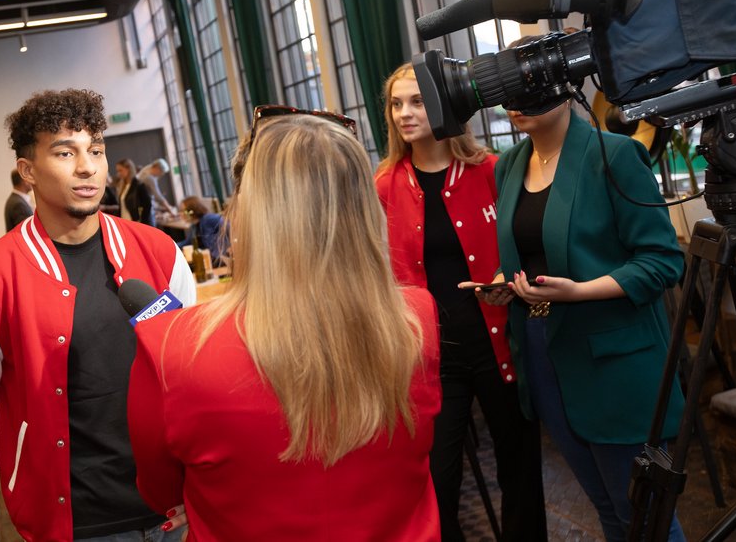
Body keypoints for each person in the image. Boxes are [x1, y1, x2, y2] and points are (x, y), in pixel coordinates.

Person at [128, 114, 441, 541]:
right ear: (365, 209)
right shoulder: (416, 319)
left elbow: (158, 489)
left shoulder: (171, 349)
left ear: (248, 212)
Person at [0, 88, 195, 542]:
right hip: (80, 522)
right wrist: (33, 451)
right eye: (65, 152)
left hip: (176, 505)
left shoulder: (157, 252)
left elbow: (190, 366)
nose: (87, 166)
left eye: (96, 150)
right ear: (28, 172)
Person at [473, 96, 686, 542]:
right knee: (607, 509)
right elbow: (529, 252)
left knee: (645, 518)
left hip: (613, 357)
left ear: (566, 90)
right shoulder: (509, 164)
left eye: (527, 88)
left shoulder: (615, 153)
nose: (514, 102)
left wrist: (579, 291)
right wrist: (501, 281)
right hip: (543, 349)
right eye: (505, 92)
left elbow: (663, 261)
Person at [375, 63, 546, 542]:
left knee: (520, 473)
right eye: (396, 103)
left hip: (499, 345)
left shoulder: (493, 170)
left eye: (418, 102)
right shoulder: (384, 185)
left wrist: (507, 279)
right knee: (437, 480)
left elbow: (527, 245)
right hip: (430, 357)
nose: (404, 114)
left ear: (446, 107)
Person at [175, 196, 226, 264]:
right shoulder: (194, 226)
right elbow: (188, 242)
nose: (180, 214)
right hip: (212, 259)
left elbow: (212, 249)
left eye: (182, 211)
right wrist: (171, 245)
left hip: (220, 259)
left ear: (192, 211)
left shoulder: (207, 219)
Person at [114, 158, 154, 226]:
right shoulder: (123, 186)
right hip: (125, 224)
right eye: (117, 171)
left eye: (121, 170)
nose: (119, 173)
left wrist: (141, 222)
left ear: (128, 169)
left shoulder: (139, 185)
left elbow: (147, 205)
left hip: (136, 224)